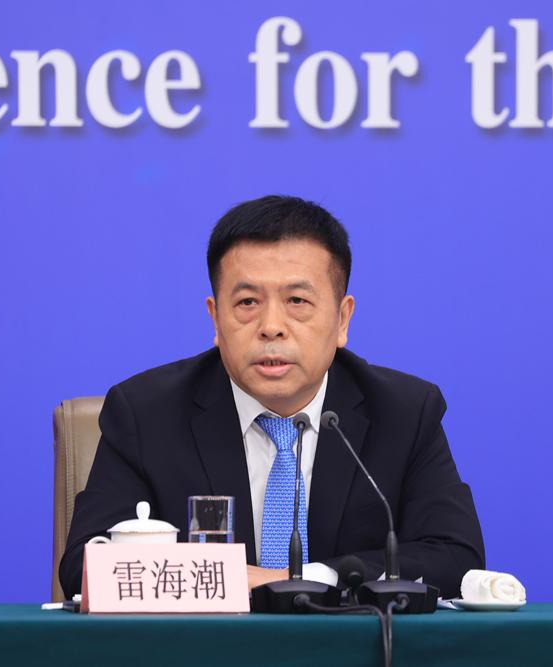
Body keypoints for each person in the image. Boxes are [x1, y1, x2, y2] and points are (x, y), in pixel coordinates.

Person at [59, 195, 484, 599]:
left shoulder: (403, 412)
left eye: (297, 300)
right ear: (215, 318)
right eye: (247, 302)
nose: (271, 327)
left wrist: (302, 580)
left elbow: (457, 558)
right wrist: (223, 580)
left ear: (342, 319)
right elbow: (84, 567)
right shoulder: (146, 413)